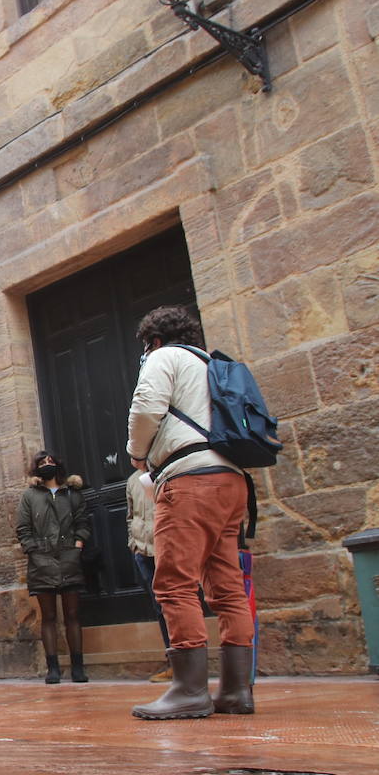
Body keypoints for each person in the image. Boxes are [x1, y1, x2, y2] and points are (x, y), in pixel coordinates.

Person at [127, 305, 254, 720]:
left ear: (154, 340)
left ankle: (188, 690)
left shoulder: (165, 357)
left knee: (175, 583)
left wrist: (137, 453)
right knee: (228, 589)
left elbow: (146, 406)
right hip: (231, 481)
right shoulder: (213, 365)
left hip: (189, 481)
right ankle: (236, 691)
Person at [16, 450, 90, 684]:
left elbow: (83, 522)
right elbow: (23, 528)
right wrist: (33, 550)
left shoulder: (72, 494)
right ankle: (53, 668)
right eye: (42, 462)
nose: (47, 464)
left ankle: (78, 667)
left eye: (50, 461)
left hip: (69, 557)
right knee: (48, 616)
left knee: (72, 614)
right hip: (41, 560)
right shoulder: (30, 496)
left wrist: (77, 545)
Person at [127, 473, 173, 682]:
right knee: (159, 606)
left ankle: (188, 662)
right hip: (143, 551)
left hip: (168, 547)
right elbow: (131, 514)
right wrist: (134, 544)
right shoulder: (132, 480)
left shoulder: (168, 470)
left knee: (178, 603)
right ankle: (173, 661)